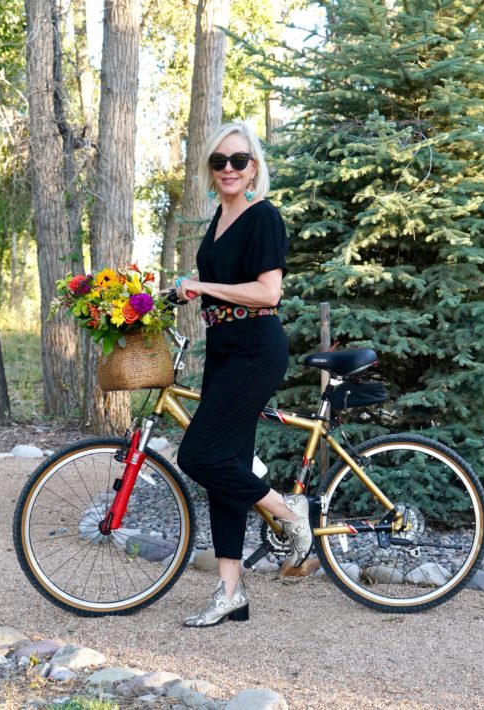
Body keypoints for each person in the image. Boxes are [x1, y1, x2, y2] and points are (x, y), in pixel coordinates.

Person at [175, 122, 312, 628]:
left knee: (198, 454)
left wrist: (201, 284)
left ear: (253, 167)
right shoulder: (217, 219)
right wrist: (178, 293)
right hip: (223, 348)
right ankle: (230, 592)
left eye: (238, 160)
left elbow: (267, 293)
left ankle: (288, 512)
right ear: (210, 171)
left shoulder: (263, 217)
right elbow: (211, 287)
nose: (228, 169)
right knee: (225, 469)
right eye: (219, 162)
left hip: (256, 345)